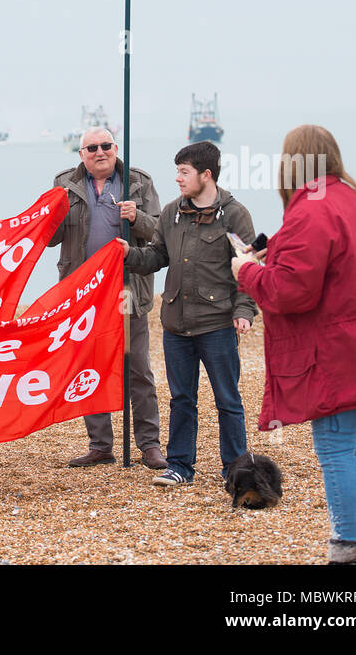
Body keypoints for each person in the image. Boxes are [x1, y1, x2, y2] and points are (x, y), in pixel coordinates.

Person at [231, 124, 356, 565]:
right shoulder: (351, 199)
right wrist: (272, 255)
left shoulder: (309, 210)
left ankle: (346, 553)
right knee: (346, 434)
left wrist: (246, 272)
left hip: (338, 348)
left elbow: (291, 292)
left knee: (333, 443)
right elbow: (329, 270)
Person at [123, 140, 257, 488]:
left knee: (227, 399)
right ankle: (180, 466)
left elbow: (248, 268)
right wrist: (127, 255)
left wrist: (244, 311)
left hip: (217, 325)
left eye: (184, 172)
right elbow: (156, 256)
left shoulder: (235, 214)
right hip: (176, 325)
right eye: (178, 172)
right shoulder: (171, 213)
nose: (179, 179)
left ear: (206, 175)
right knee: (182, 399)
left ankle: (236, 468)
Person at [48, 127, 166, 469]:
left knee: (138, 368)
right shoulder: (63, 184)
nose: (100, 152)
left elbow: (160, 233)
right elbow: (49, 238)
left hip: (128, 289)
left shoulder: (138, 182)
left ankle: (149, 445)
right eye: (91, 148)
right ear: (81, 153)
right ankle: (101, 445)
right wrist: (49, 218)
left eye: (106, 146)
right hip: (83, 293)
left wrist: (137, 218)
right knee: (90, 368)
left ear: (115, 148)